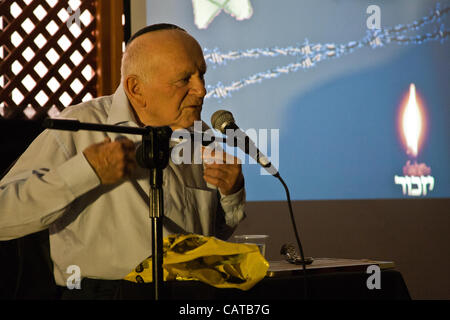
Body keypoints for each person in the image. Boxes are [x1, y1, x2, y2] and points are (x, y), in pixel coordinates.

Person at [0, 24, 246, 297]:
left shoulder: (200, 136)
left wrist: (231, 193)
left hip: (189, 293)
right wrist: (84, 172)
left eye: (201, 75)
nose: (201, 90)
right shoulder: (79, 127)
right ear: (136, 88)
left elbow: (211, 234)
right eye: (184, 79)